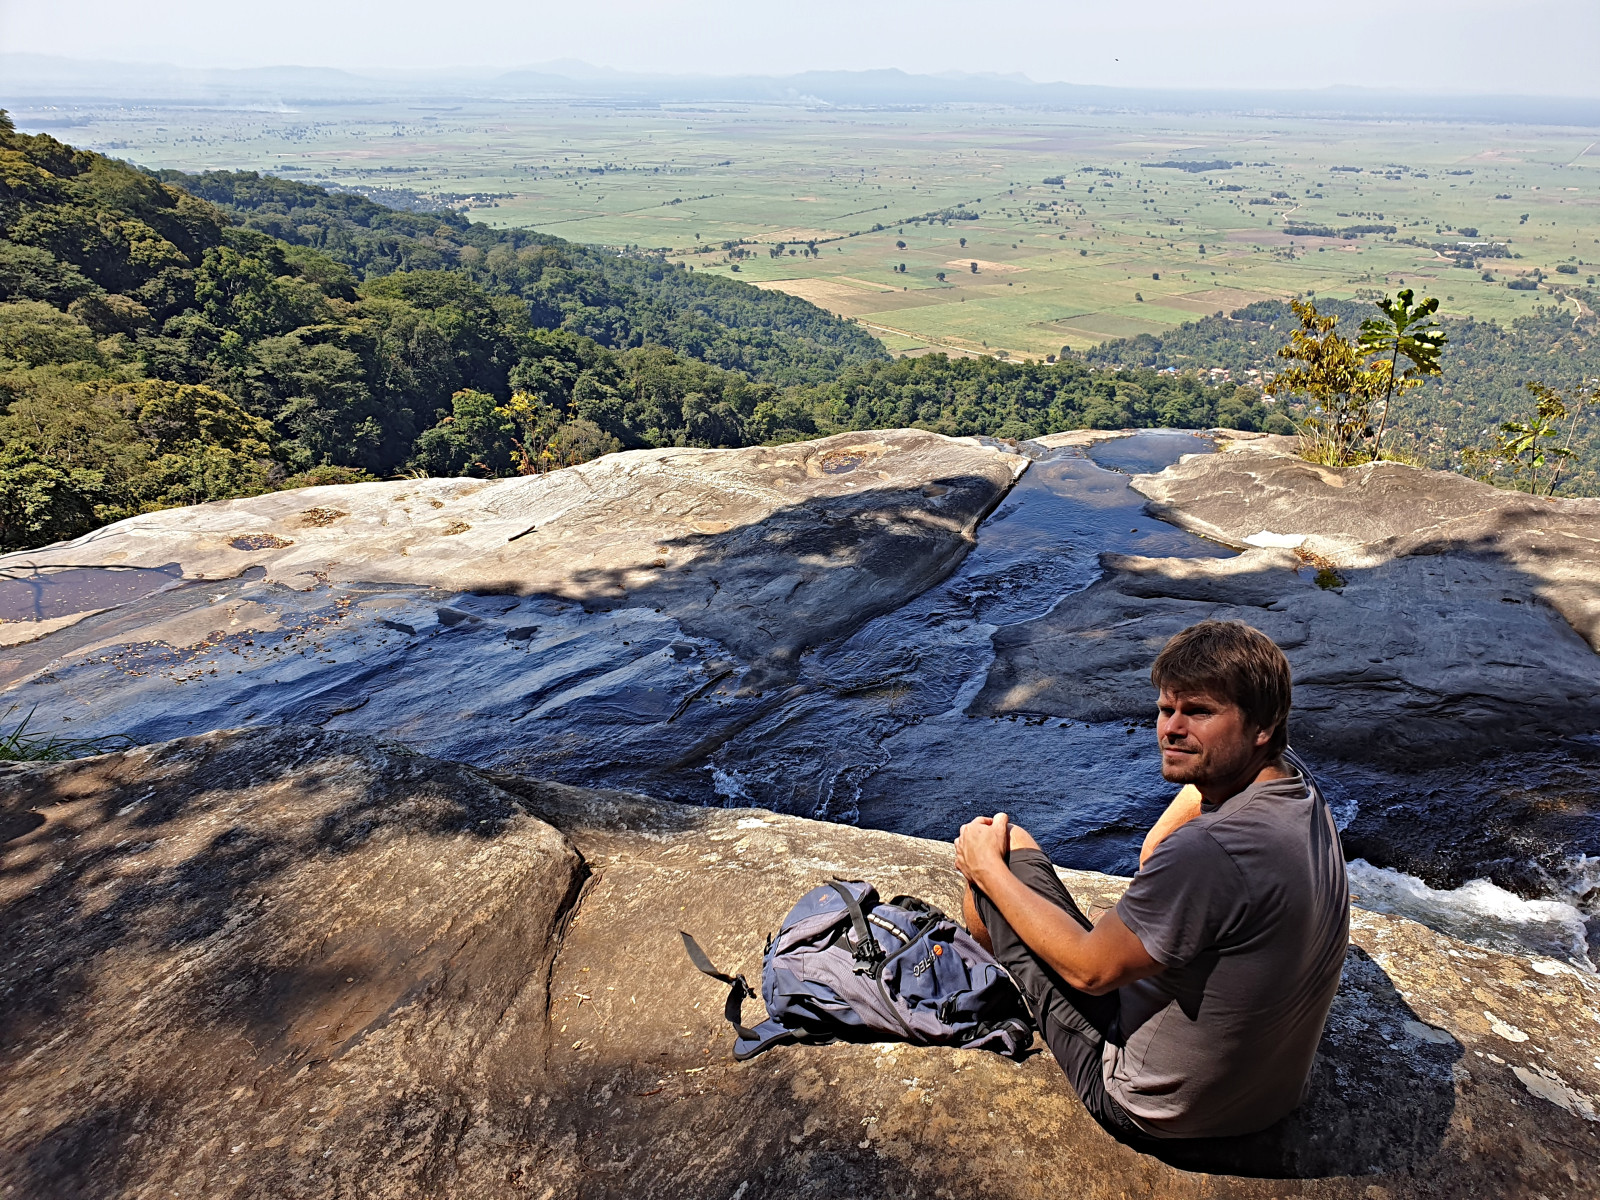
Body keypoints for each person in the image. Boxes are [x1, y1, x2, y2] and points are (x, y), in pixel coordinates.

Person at [955, 619, 1349, 1141]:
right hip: (1268, 1097)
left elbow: (1091, 974)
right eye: (1167, 710)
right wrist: (1153, 850)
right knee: (1106, 916)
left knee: (1003, 848)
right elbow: (1192, 807)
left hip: (1159, 1108)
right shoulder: (1292, 781)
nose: (1171, 729)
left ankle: (1002, 979)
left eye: (1200, 712)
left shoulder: (1210, 851)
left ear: (1262, 727)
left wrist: (981, 867)